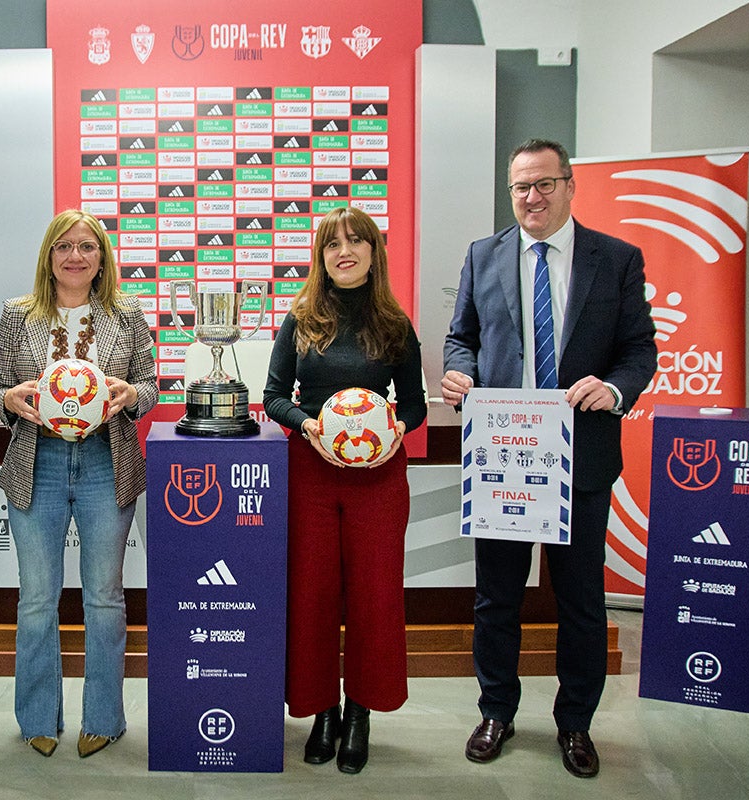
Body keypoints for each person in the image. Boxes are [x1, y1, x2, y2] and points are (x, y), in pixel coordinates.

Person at [442, 139, 657, 778]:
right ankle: (496, 712)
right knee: (496, 598)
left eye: (544, 184)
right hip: (503, 459)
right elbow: (462, 339)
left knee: (581, 601)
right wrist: (459, 375)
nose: (532, 198)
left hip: (580, 460)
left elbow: (638, 351)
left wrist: (614, 389)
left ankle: (575, 725)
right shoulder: (485, 255)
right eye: (520, 188)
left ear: (569, 185)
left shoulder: (615, 259)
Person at [263, 206, 426, 774]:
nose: (345, 251)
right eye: (333, 244)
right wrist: (307, 424)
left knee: (374, 596)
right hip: (311, 469)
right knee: (310, 594)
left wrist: (397, 426)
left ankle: (360, 713)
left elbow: (416, 403)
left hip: (378, 476)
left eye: (357, 241)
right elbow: (274, 394)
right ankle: (321, 711)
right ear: (321, 255)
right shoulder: (301, 317)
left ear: (374, 253)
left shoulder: (394, 322)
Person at [0, 209, 157, 759]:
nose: (75, 256)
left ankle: (104, 718)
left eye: (87, 246)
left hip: (107, 463)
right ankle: (38, 716)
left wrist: (132, 396)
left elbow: (152, 386)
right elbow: (2, 392)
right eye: (64, 246)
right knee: (37, 598)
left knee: (104, 598)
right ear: (49, 255)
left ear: (102, 257)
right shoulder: (17, 316)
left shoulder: (127, 315)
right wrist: (7, 401)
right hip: (38, 462)